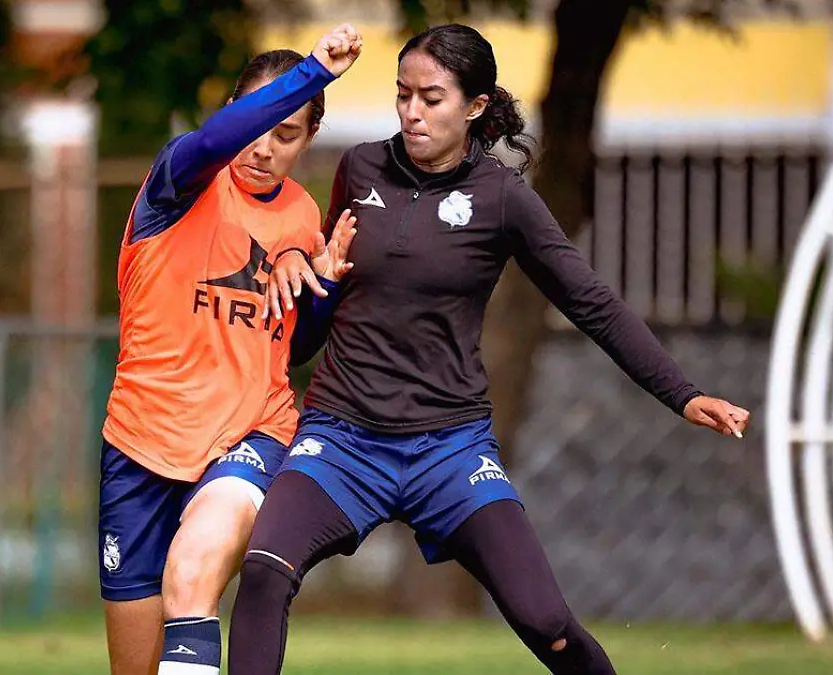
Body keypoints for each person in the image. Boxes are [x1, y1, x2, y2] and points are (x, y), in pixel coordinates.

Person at [227, 23, 750, 675]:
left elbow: (590, 300)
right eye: (402, 94)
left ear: (475, 107)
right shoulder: (359, 167)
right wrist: (318, 284)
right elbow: (311, 325)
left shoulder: (503, 199)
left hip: (449, 448)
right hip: (341, 439)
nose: (412, 112)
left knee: (547, 622)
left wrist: (684, 392)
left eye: (432, 97)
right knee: (264, 569)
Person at [96, 25, 362, 675]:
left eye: (288, 133)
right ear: (231, 115)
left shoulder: (303, 215)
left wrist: (322, 285)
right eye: (257, 122)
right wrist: (313, 72)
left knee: (191, 576)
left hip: (249, 435)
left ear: (309, 140)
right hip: (141, 443)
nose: (264, 147)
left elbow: (292, 346)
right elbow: (219, 140)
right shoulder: (180, 178)